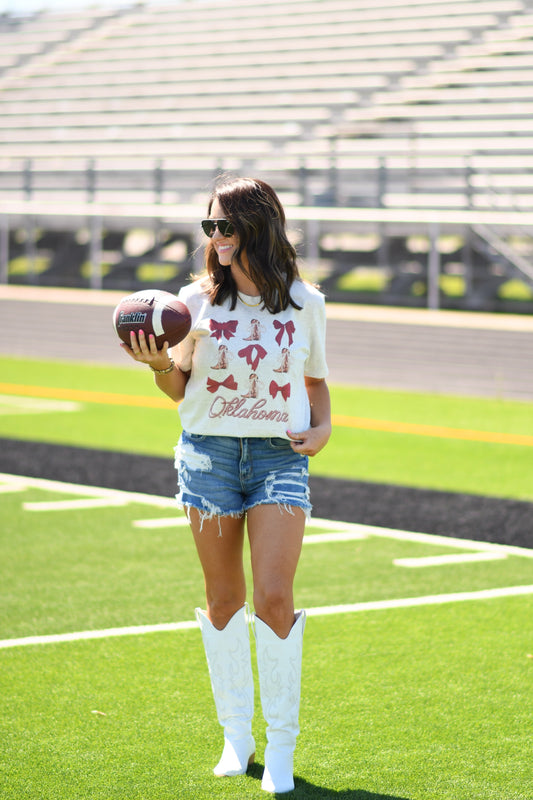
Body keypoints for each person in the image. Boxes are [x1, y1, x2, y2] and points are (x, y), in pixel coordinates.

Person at [121, 176, 331, 794]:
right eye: (208, 227)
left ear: (257, 229)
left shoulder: (305, 301)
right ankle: (236, 737)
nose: (215, 238)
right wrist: (159, 363)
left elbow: (315, 380)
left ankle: (283, 747)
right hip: (208, 457)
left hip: (279, 461)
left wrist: (323, 430)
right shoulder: (190, 304)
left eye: (226, 227)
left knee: (274, 599)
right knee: (222, 602)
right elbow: (177, 389)